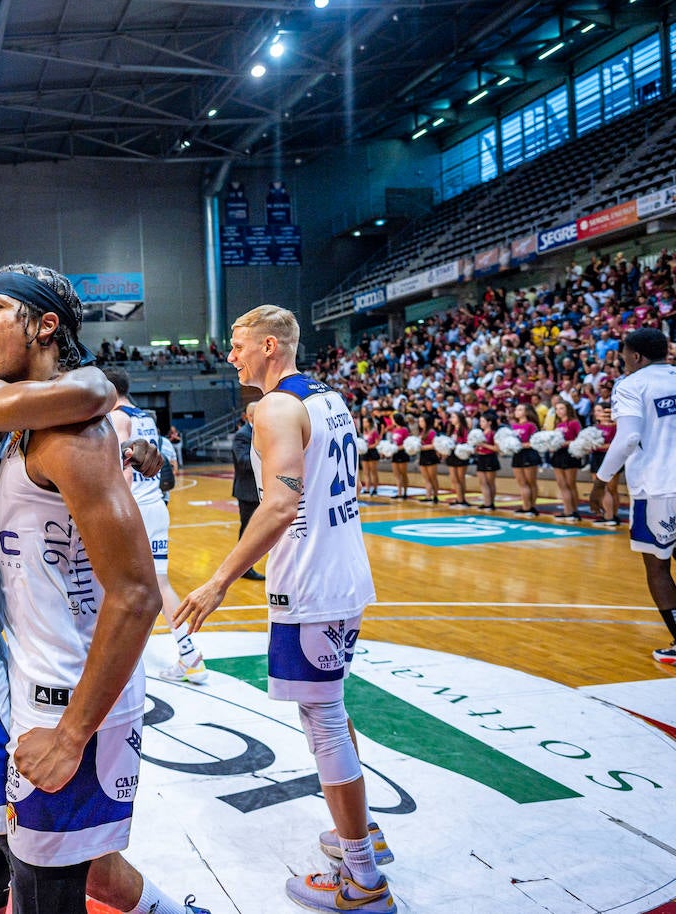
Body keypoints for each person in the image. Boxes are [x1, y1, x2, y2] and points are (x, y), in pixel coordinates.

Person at [0, 294, 195, 914]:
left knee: (7, 842)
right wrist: (101, 379)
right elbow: (88, 396)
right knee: (44, 851)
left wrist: (129, 454)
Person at [0, 265, 208, 914]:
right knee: (90, 868)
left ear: (45, 325)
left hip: (70, 700)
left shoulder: (75, 434)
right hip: (34, 690)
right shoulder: (21, 418)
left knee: (44, 890)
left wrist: (72, 733)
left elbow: (136, 594)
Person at [176, 306, 395, 913]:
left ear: (270, 346)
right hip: (343, 572)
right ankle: (364, 830)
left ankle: (362, 879)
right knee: (331, 709)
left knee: (322, 719)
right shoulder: (329, 398)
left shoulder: (277, 408)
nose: (231, 356)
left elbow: (278, 507)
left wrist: (219, 581)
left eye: (239, 345)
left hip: (311, 584)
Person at [594, 328, 676, 672]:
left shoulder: (631, 385)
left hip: (658, 486)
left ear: (637, 357)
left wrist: (600, 481)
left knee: (657, 565)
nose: (622, 360)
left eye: (624, 355)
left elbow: (628, 437)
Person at [103, 367, 210, 684]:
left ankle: (113, 662)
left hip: (134, 509)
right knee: (159, 585)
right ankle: (190, 655)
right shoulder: (146, 416)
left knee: (114, 586)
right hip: (156, 506)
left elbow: (122, 468)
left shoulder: (117, 418)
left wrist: (114, 513)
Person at [231, 402, 267, 580]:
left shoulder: (263, 433)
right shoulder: (242, 436)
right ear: (251, 416)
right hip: (247, 492)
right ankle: (244, 568)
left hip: (263, 490)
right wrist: (266, 452)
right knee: (248, 531)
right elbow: (244, 461)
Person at [548, 399, 583, 522]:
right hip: (558, 454)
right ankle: (567, 510)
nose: (559, 411)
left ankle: (573, 511)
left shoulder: (574, 423)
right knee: (562, 484)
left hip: (570, 454)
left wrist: (565, 443)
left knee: (570, 484)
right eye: (557, 409)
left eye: (561, 408)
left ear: (568, 409)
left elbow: (580, 439)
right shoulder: (557, 424)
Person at [508, 402, 541, 517]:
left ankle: (531, 507)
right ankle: (525, 506)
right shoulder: (513, 426)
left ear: (526, 412)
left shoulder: (531, 425)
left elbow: (535, 442)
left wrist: (521, 445)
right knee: (522, 483)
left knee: (530, 482)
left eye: (520, 409)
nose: (517, 411)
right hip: (517, 455)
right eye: (516, 409)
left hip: (529, 454)